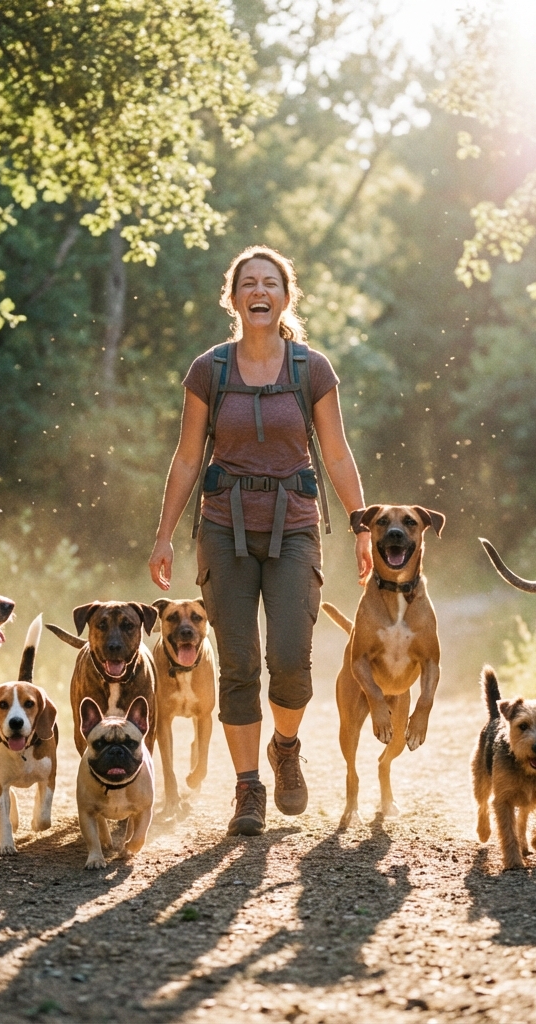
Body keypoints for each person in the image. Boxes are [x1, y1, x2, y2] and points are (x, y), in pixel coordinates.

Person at [149, 245, 372, 836]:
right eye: (249, 282)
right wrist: (164, 534)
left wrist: (361, 522)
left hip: (295, 523)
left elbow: (337, 452)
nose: (260, 291)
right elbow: (187, 457)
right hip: (223, 526)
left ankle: (286, 747)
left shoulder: (311, 369)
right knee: (240, 661)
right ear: (234, 296)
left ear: (285, 296)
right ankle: (248, 789)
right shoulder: (209, 370)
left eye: (270, 283)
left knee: (292, 659)